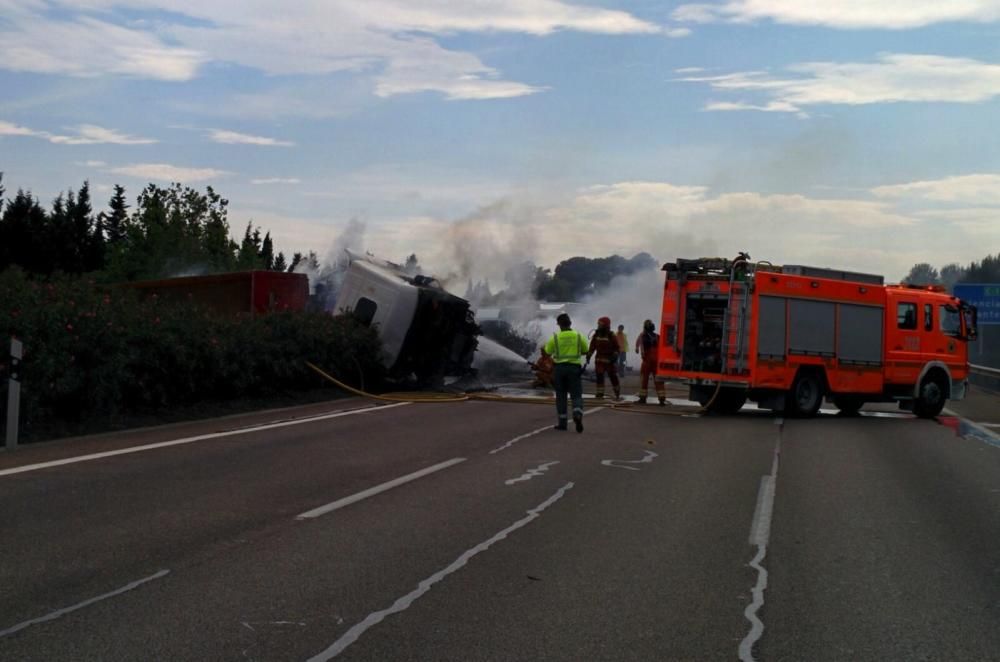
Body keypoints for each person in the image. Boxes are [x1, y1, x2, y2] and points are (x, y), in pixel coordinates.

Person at [543, 313, 589, 432]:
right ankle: (577, 413)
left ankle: (562, 423)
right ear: (570, 323)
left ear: (559, 324)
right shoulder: (579, 336)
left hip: (559, 369)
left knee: (561, 396)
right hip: (574, 369)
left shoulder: (555, 337)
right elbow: (585, 350)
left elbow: (547, 352)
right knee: (576, 394)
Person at [586, 316, 621, 400]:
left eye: (600, 324)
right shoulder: (596, 335)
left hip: (609, 361)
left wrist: (615, 355)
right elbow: (592, 346)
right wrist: (589, 355)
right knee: (599, 377)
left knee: (613, 377)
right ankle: (600, 393)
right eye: (598, 324)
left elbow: (617, 348)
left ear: (605, 325)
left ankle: (617, 393)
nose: (598, 326)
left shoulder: (611, 335)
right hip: (599, 361)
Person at [635, 319, 666, 405]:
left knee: (644, 379)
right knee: (658, 380)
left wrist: (637, 349)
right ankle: (662, 399)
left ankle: (643, 398)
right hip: (656, 361)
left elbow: (638, 343)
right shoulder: (657, 336)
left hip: (647, 361)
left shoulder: (642, 336)